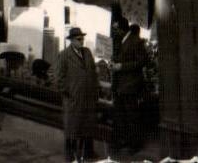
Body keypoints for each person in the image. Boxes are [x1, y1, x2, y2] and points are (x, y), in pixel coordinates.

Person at [53, 24, 99, 163]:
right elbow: (58, 77)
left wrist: (95, 89)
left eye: (82, 39)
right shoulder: (65, 55)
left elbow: (92, 72)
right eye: (78, 39)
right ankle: (70, 155)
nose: (81, 41)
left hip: (88, 96)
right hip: (73, 98)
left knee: (87, 125)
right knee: (72, 127)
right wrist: (67, 92)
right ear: (72, 40)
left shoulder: (87, 52)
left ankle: (88, 152)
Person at [110, 21, 149, 157]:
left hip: (131, 85)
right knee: (122, 116)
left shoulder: (136, 41)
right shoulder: (121, 41)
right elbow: (123, 58)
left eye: (116, 29)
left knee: (132, 116)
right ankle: (125, 142)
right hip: (121, 86)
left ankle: (134, 145)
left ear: (123, 29)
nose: (114, 31)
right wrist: (113, 62)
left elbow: (142, 61)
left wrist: (121, 66)